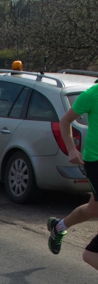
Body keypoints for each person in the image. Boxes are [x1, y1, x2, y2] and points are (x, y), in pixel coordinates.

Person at [47, 81, 98, 264]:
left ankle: (58, 227)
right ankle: (93, 254)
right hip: (95, 162)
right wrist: (71, 149)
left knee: (93, 209)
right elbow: (65, 120)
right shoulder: (92, 94)